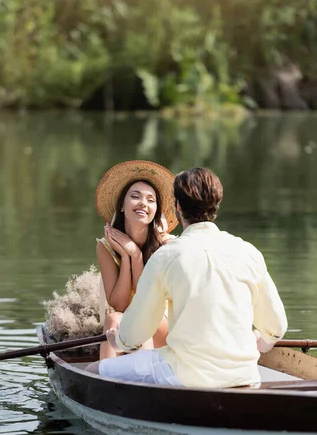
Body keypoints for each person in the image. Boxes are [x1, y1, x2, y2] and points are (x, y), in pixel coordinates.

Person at [87, 167, 288, 389]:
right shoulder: (249, 252)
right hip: (245, 377)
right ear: (217, 205)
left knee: (93, 371)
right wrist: (257, 343)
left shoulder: (166, 255)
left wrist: (117, 340)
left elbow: (136, 334)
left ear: (178, 207)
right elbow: (276, 327)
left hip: (182, 374)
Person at [95, 160, 178, 359]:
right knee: (113, 319)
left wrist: (137, 255)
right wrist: (126, 256)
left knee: (128, 321)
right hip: (129, 321)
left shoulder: (167, 246)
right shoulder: (106, 247)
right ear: (122, 206)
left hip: (164, 323)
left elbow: (147, 302)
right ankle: (107, 383)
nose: (143, 203)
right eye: (135, 196)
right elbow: (120, 305)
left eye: (151, 200)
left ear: (156, 211)